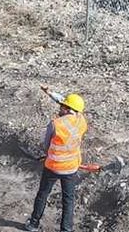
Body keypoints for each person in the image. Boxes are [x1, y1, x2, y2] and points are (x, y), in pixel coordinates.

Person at [25, 86, 88, 232]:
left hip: (52, 166)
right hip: (71, 168)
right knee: (68, 200)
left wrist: (47, 154)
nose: (60, 107)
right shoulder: (81, 121)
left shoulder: (55, 124)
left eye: (62, 106)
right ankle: (66, 229)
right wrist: (49, 93)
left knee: (43, 194)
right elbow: (64, 101)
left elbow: (46, 145)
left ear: (66, 108)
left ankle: (33, 224)